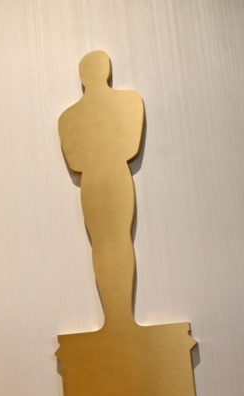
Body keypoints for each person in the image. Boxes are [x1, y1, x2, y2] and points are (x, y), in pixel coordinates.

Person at [58, 50, 145, 329]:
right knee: (110, 243)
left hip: (100, 179)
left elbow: (80, 158)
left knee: (111, 242)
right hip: (106, 177)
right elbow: (125, 146)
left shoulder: (70, 117)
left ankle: (121, 319)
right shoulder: (127, 103)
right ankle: (117, 319)